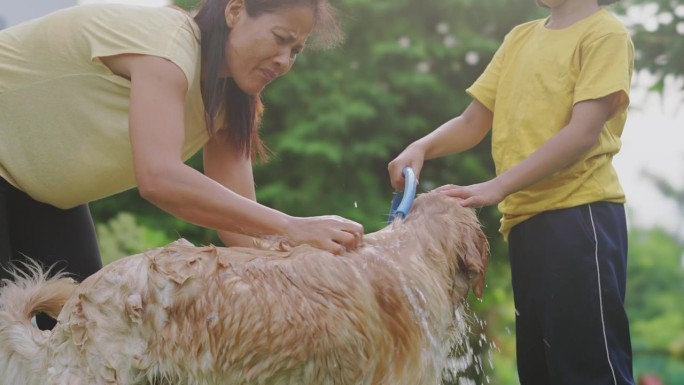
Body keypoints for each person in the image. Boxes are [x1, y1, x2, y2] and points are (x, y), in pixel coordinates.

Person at [0, 0, 364, 329]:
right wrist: (291, 226)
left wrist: (315, 276)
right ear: (235, 10)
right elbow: (159, 178)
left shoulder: (231, 102)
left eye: (295, 50)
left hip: (41, 195)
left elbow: (243, 231)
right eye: (280, 38)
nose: (284, 60)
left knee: (81, 334)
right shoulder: (167, 44)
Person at [388, 0, 635, 384]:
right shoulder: (520, 38)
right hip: (524, 221)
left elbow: (582, 132)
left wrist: (497, 186)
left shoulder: (604, 34)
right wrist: (421, 147)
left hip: (580, 218)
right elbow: (472, 121)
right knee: (541, 371)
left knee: (587, 370)